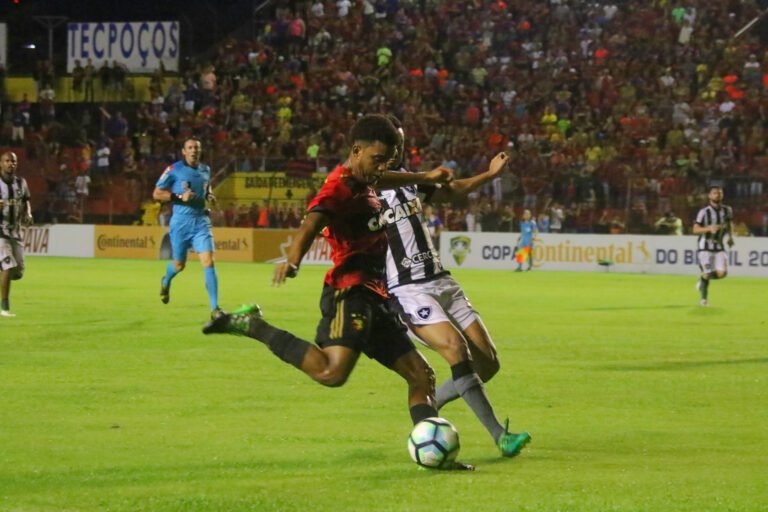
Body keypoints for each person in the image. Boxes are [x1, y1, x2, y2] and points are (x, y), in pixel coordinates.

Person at [201, 115, 474, 470]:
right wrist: (293, 260)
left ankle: (436, 456)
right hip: (351, 291)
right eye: (377, 160)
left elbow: (383, 177)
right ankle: (253, 324)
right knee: (332, 373)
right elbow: (312, 221)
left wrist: (422, 177)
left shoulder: (369, 177)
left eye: (387, 161)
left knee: (423, 377)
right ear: (356, 151)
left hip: (379, 295)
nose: (381, 169)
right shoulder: (338, 187)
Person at [378, 117, 531, 458]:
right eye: (391, 145)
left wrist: (489, 176)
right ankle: (500, 436)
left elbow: (455, 190)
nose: (396, 151)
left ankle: (430, 405)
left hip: (442, 280)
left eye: (400, 144)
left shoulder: (411, 183)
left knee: (488, 363)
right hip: (407, 288)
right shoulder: (366, 188)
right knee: (456, 350)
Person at [153, 137, 221, 319]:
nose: (194, 151)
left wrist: (210, 195)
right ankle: (166, 280)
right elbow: (157, 193)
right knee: (179, 265)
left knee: (209, 262)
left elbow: (206, 188)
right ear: (184, 151)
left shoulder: (206, 169)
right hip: (181, 223)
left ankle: (215, 309)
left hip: (201, 221)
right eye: (190, 148)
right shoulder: (174, 170)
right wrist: (178, 197)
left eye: (197, 148)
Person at [0, 152, 33, 317]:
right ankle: (4, 307)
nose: (10, 164)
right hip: (1, 232)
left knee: (18, 272)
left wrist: (28, 214)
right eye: (7, 161)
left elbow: (26, 201)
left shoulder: (21, 183)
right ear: (1, 164)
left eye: (13, 161)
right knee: (8, 265)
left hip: (15, 232)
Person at [692, 186, 734, 306]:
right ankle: (703, 300)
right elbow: (695, 229)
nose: (718, 195)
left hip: (719, 246)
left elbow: (729, 223)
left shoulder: (727, 210)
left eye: (720, 193)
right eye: (715, 193)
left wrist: (730, 237)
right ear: (709, 196)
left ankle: (702, 280)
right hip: (705, 247)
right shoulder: (704, 212)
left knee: (723, 273)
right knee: (707, 272)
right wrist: (708, 228)